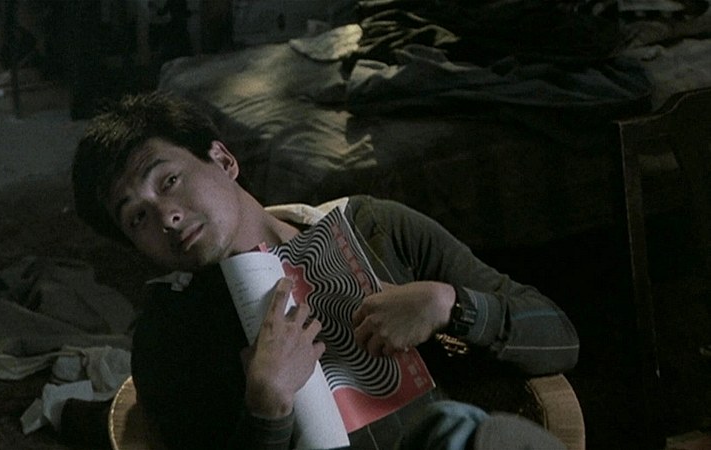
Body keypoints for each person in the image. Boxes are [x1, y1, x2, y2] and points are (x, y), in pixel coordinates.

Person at [71, 91, 579, 449]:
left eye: (169, 181)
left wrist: (448, 304)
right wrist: (267, 404)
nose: (167, 216)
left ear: (223, 161)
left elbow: (559, 338)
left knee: (456, 429)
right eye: (137, 218)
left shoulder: (374, 228)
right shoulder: (168, 337)